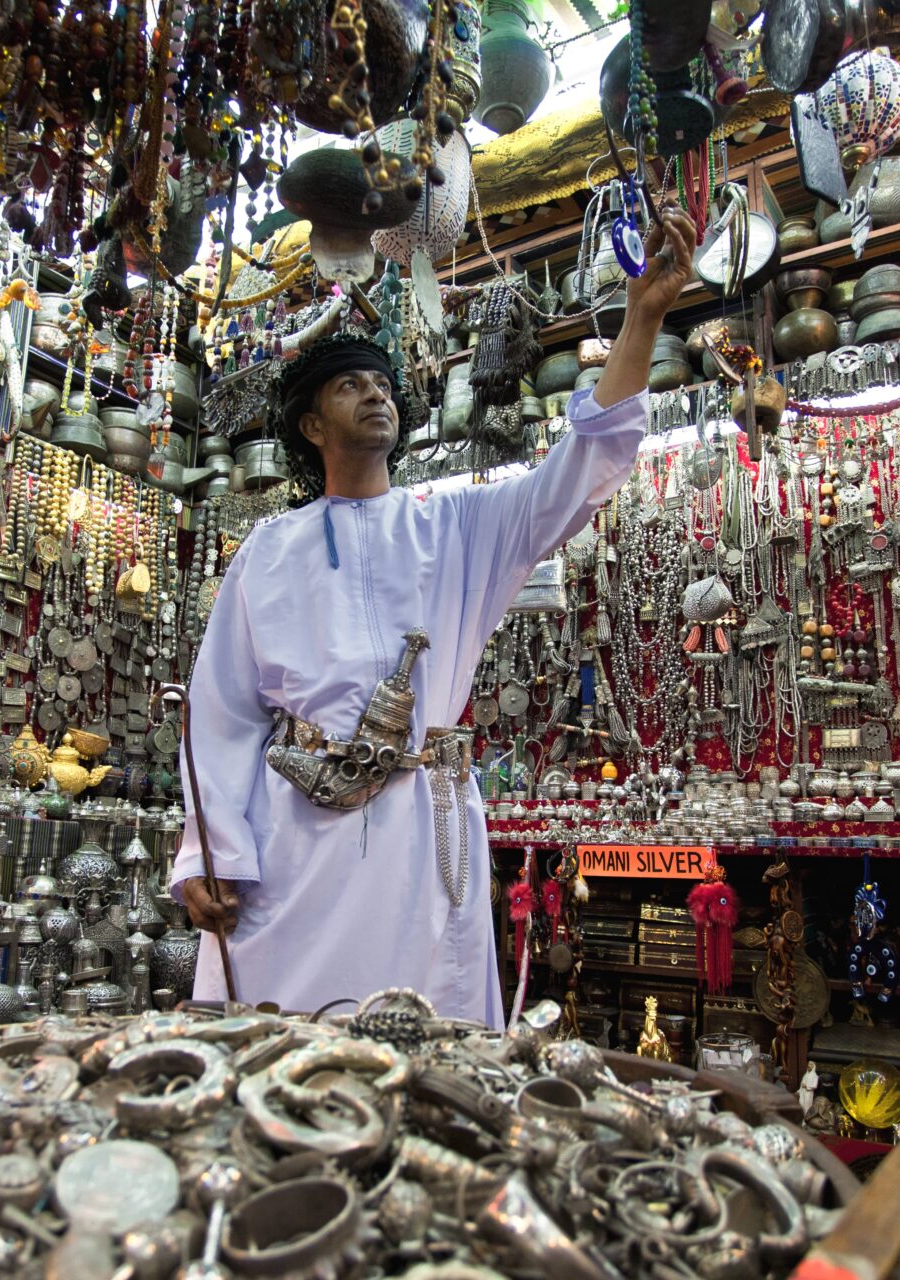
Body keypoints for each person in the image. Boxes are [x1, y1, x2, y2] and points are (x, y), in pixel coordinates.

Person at [170, 205, 698, 1024]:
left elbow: (582, 467)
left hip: (422, 828)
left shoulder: (455, 524)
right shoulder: (269, 551)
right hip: (298, 840)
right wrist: (209, 853)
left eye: (383, 385)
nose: (375, 395)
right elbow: (222, 717)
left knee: (418, 1036)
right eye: (351, 385)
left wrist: (641, 319)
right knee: (280, 1036)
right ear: (311, 426)